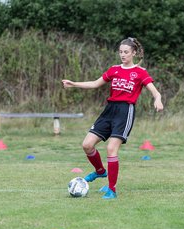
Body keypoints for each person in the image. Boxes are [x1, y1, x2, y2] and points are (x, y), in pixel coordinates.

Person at [62, 37, 164, 199]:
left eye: (126, 52)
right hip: (109, 111)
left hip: (125, 111)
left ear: (134, 53)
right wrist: (74, 84)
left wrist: (157, 99)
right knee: (87, 145)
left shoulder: (140, 72)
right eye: (120, 52)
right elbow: (95, 83)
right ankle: (100, 172)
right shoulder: (114, 69)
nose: (123, 55)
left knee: (111, 149)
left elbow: (155, 91)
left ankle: (112, 190)